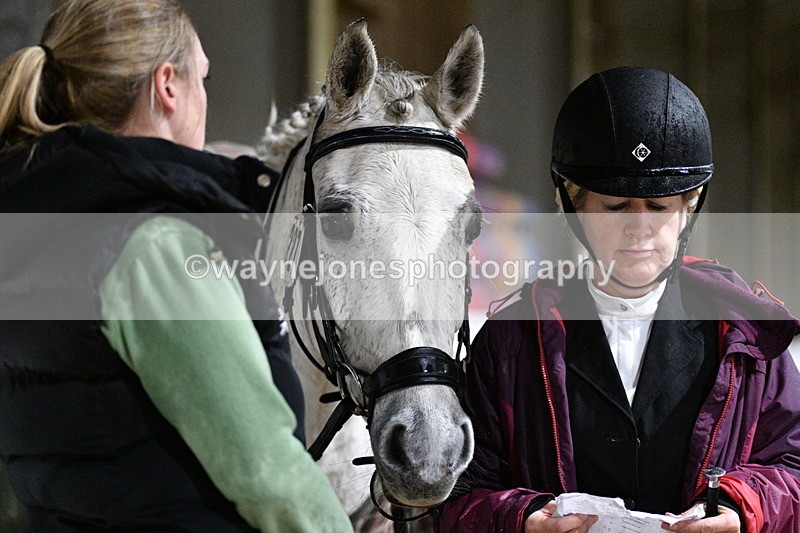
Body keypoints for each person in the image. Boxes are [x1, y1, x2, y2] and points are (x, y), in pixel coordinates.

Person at [0, 1, 352, 532]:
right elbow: (265, 470)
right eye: (201, 77)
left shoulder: (33, 229)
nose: (204, 97)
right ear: (167, 85)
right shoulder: (156, 245)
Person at [441, 66, 800, 532]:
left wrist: (743, 508)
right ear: (573, 206)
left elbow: (793, 466)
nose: (640, 227)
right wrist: (523, 519)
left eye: (659, 206)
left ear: (690, 206)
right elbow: (459, 492)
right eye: (614, 207)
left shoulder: (748, 337)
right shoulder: (508, 341)